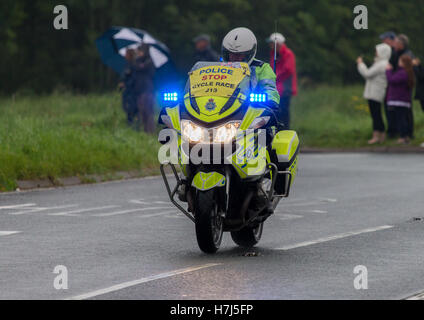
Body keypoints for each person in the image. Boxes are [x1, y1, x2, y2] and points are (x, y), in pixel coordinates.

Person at [221, 27, 280, 124]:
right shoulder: (219, 67)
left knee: (263, 135)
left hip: (251, 112)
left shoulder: (262, 68)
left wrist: (269, 100)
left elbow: (271, 89)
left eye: (239, 54)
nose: (233, 57)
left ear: (249, 54)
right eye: (230, 53)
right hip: (223, 111)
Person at [357, 43, 392, 144]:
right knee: (376, 114)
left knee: (376, 115)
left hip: (376, 92)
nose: (375, 53)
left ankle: (378, 136)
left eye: (377, 51)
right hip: (375, 92)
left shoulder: (381, 64)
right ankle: (380, 135)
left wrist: (360, 64)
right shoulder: (381, 63)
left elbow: (367, 73)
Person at [267, 32, 297, 129]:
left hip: (285, 89)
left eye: (271, 43)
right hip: (276, 89)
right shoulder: (274, 54)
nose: (270, 45)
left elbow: (288, 70)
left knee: (284, 114)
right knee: (276, 113)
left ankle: (286, 134)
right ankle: (277, 134)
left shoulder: (288, 54)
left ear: (277, 44)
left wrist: (274, 77)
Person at [386, 54, 415, 144]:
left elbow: (392, 80)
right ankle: (405, 136)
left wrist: (388, 71)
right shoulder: (407, 72)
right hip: (403, 100)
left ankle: (403, 136)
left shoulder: (403, 73)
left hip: (399, 100)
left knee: (401, 119)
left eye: (400, 61)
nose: (398, 62)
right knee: (402, 118)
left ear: (404, 63)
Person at [133, 43, 156, 133]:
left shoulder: (149, 62)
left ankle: (150, 131)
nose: (139, 53)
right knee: (142, 112)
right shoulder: (138, 61)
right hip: (140, 90)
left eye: (140, 51)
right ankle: (144, 131)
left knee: (148, 112)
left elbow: (140, 68)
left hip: (148, 90)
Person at [379, 31, 398, 138]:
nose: (382, 42)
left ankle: (395, 132)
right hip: (389, 84)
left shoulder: (394, 53)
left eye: (384, 40)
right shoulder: (390, 53)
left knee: (394, 109)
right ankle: (392, 131)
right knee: (389, 108)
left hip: (393, 85)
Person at [120, 48, 138, 125]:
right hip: (126, 91)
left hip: (132, 91)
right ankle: (130, 123)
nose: (125, 55)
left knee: (131, 108)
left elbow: (134, 79)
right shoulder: (127, 64)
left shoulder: (134, 65)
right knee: (126, 107)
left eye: (126, 54)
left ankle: (133, 125)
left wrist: (126, 84)